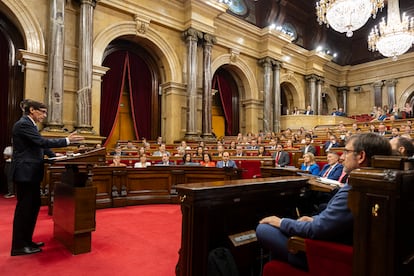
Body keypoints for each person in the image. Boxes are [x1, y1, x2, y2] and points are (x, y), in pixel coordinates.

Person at [256, 132, 392, 270]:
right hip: (344, 245)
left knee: (264, 229)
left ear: (361, 156)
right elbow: (333, 221)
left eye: (346, 151)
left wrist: (281, 222)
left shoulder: (355, 190)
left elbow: (316, 230)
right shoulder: (377, 185)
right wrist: (315, 219)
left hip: (326, 255)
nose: (342, 157)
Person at [10, 99, 84, 256]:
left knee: (32, 207)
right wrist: (67, 141)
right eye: (42, 112)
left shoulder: (30, 124)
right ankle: (19, 246)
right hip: (25, 173)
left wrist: (54, 155)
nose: (44, 115)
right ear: (32, 110)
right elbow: (40, 141)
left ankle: (26, 241)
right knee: (25, 210)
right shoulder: (24, 124)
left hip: (30, 173)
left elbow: (38, 146)